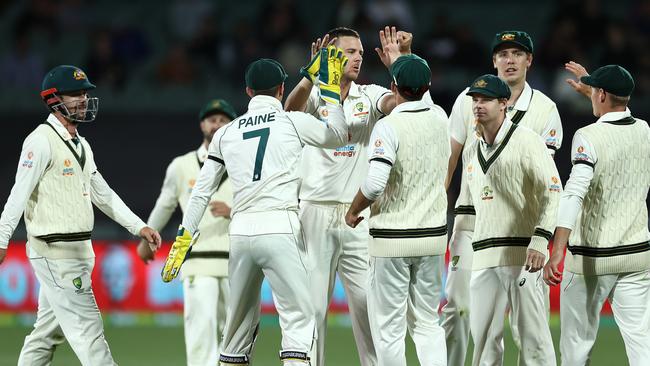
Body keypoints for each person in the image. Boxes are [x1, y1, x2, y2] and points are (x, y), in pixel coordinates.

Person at [161, 51, 350, 366]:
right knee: (299, 321)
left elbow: (201, 191)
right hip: (281, 228)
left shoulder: (225, 133)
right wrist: (328, 87)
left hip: (241, 233)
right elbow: (338, 136)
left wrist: (183, 240)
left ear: (248, 91)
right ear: (280, 90)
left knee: (236, 333)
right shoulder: (293, 121)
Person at [285, 25, 445, 366]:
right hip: (314, 210)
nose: (359, 57)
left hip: (359, 218)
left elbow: (407, 105)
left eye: (360, 51)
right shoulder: (314, 96)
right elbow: (289, 114)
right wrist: (310, 75)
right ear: (331, 55)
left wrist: (400, 64)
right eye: (350, 51)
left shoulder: (370, 94)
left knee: (371, 310)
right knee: (311, 310)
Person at [0, 65, 160, 366]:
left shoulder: (81, 144)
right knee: (90, 335)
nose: (84, 100)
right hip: (56, 254)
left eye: (85, 93)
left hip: (78, 253)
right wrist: (2, 237)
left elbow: (103, 194)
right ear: (53, 99)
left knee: (45, 336)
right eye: (75, 95)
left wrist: (139, 226)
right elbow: (18, 193)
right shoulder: (40, 141)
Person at [440, 30, 563, 366]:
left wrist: (542, 237)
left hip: (521, 233)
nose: (510, 60)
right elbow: (453, 155)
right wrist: (438, 207)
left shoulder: (544, 112)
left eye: (517, 53)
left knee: (530, 330)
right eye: (503, 54)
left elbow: (548, 185)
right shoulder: (468, 102)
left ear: (529, 60)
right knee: (460, 311)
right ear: (493, 60)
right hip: (473, 226)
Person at [344, 54, 449, 366]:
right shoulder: (441, 117)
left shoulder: (388, 126)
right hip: (432, 238)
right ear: (428, 85)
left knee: (389, 328)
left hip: (392, 239)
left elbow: (375, 183)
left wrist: (353, 210)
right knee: (428, 323)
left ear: (392, 87)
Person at [543, 64, 650, 366]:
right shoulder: (644, 130)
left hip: (592, 258)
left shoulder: (587, 135)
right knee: (642, 344)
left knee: (576, 347)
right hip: (637, 254)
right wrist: (597, 91)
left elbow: (574, 192)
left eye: (595, 91)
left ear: (602, 94)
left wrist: (557, 249)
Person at [461, 74, 558, 365]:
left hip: (523, 256)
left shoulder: (528, 140)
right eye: (475, 100)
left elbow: (554, 192)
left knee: (534, 342)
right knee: (483, 344)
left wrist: (541, 240)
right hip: (483, 258)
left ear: (504, 103)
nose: (478, 105)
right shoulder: (471, 149)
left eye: (486, 100)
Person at [137, 99, 237, 366]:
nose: (217, 125)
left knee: (238, 343)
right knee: (201, 341)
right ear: (202, 124)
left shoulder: (245, 164)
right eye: (212, 119)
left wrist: (233, 209)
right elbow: (164, 205)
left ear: (233, 125)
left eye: (223, 120)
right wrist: (146, 239)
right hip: (196, 261)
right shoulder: (182, 166)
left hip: (236, 263)